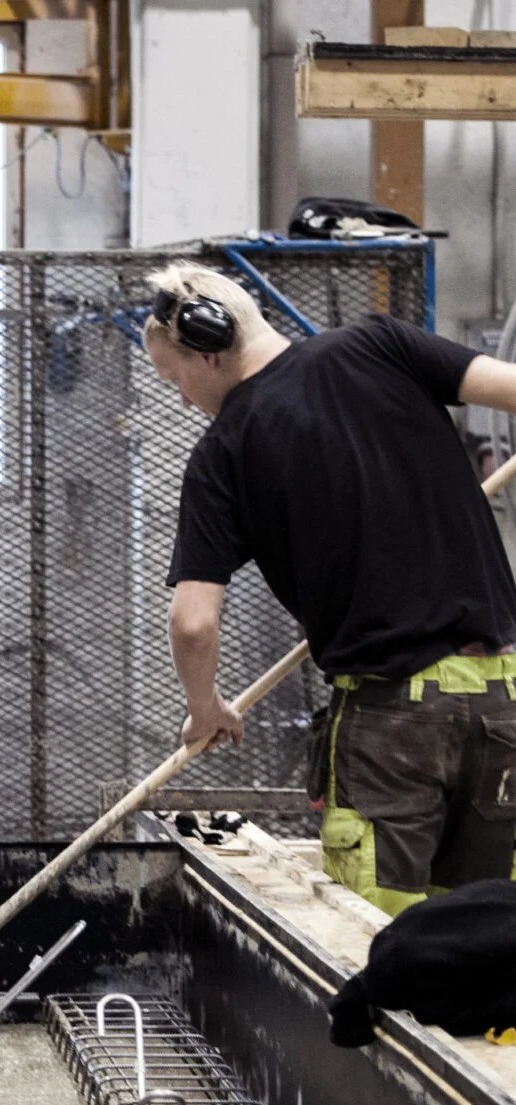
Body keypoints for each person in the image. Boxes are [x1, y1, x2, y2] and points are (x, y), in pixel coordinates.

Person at [145, 260, 516, 917]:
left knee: (376, 936)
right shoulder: (380, 343)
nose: (182, 400)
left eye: (174, 379)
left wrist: (205, 707)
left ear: (207, 350)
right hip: (504, 700)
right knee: (486, 931)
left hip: (392, 719)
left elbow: (193, 622)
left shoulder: (222, 453)